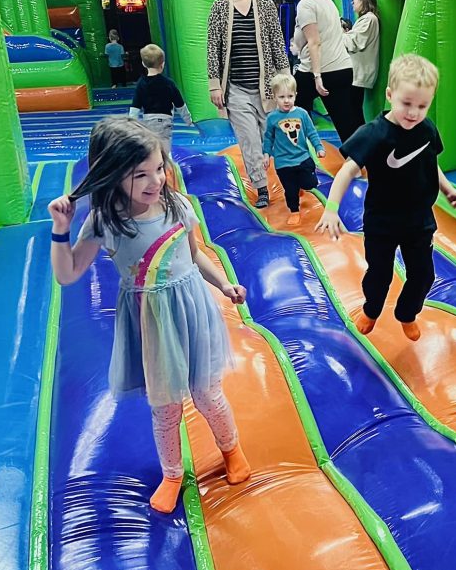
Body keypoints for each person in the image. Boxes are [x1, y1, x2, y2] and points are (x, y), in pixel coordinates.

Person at [47, 118, 252, 514]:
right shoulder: (107, 220)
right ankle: (172, 473)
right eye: (140, 174)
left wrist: (224, 285)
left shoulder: (177, 204)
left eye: (158, 168)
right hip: (151, 321)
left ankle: (231, 450)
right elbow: (67, 273)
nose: (154, 180)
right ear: (111, 174)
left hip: (191, 309)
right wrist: (61, 230)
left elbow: (193, 256)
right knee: (165, 405)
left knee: (208, 393)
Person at [316, 54, 456, 341]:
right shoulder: (375, 133)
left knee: (423, 275)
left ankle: (407, 313)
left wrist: (448, 190)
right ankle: (372, 309)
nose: (413, 113)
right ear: (390, 95)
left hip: (419, 219)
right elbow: (347, 171)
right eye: (406, 104)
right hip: (382, 221)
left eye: (422, 106)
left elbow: (430, 161)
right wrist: (331, 208)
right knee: (380, 274)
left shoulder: (426, 128)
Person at [207, 0, 290, 209]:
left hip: (266, 87)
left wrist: (285, 78)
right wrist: (214, 84)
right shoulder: (220, 7)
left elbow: (278, 43)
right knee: (250, 142)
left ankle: (291, 180)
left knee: (274, 137)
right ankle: (261, 187)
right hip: (236, 90)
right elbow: (213, 47)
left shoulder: (265, 6)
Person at [285, 0, 360, 143]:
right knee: (346, 122)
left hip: (318, 70)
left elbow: (315, 42)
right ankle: (358, 161)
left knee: (292, 110)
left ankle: (297, 150)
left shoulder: (305, 5)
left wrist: (317, 76)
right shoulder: (325, 0)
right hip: (342, 67)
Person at [263, 72, 325, 227]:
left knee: (310, 183)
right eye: (282, 97)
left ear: (295, 95)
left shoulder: (302, 114)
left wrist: (318, 147)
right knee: (290, 190)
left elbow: (311, 132)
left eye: (290, 96)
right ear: (275, 97)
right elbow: (268, 137)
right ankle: (294, 211)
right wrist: (266, 154)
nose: (286, 101)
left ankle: (301, 186)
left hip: (303, 158)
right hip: (283, 162)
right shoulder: (272, 118)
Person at [129, 43, 192, 150]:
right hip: (164, 121)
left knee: (152, 148)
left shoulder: (141, 83)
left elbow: (135, 106)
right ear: (162, 64)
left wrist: (131, 124)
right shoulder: (168, 83)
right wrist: (188, 120)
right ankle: (166, 163)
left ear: (143, 64)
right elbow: (180, 104)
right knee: (165, 148)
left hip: (148, 121)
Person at [343, 0, 380, 122]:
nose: (352, 2)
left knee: (353, 112)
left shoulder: (369, 19)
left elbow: (354, 42)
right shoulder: (366, 19)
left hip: (358, 73)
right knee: (353, 110)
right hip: (357, 73)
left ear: (364, 0)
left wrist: (337, 33)